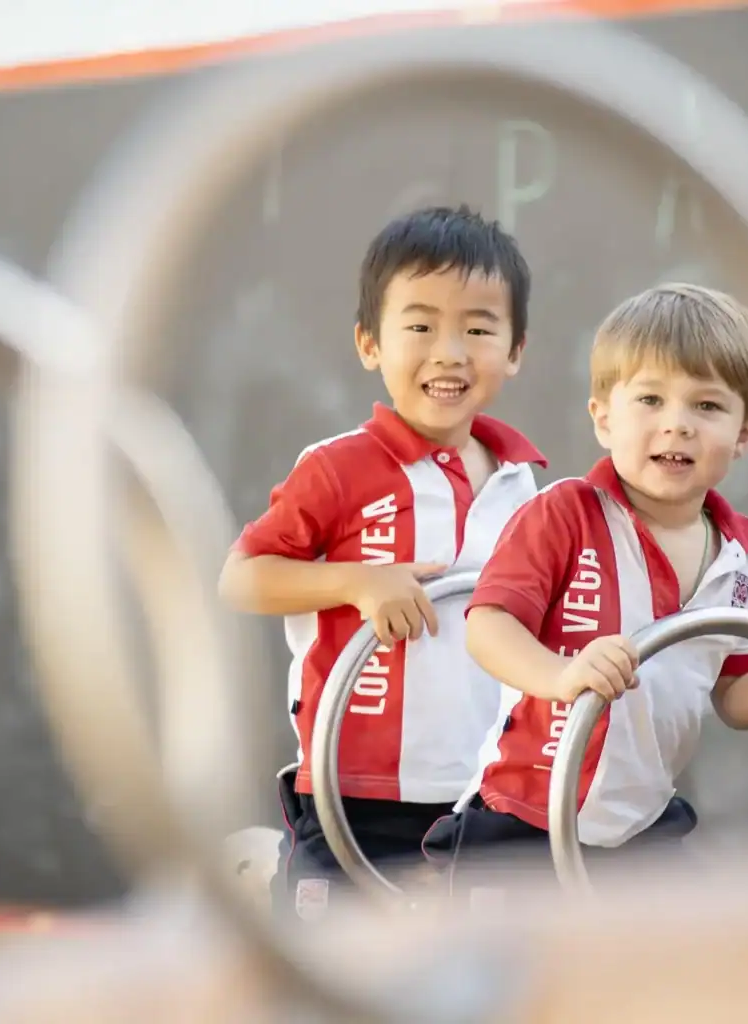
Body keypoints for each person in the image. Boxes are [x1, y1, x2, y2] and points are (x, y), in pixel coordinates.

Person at [423, 282, 748, 895]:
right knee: (518, 979)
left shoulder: (744, 551)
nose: (676, 426)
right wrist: (560, 674)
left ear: (746, 433)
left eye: (706, 407)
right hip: (525, 817)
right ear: (603, 418)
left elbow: (734, 695)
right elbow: (488, 627)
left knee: (671, 966)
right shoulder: (565, 513)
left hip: (640, 826)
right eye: (650, 399)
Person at [219, 205, 546, 920]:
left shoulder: (527, 487)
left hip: (481, 789)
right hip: (353, 788)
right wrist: (355, 581)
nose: (450, 351)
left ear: (515, 349)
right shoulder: (337, 469)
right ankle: (264, 872)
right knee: (338, 965)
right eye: (421, 325)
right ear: (370, 342)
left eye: (479, 329)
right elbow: (241, 577)